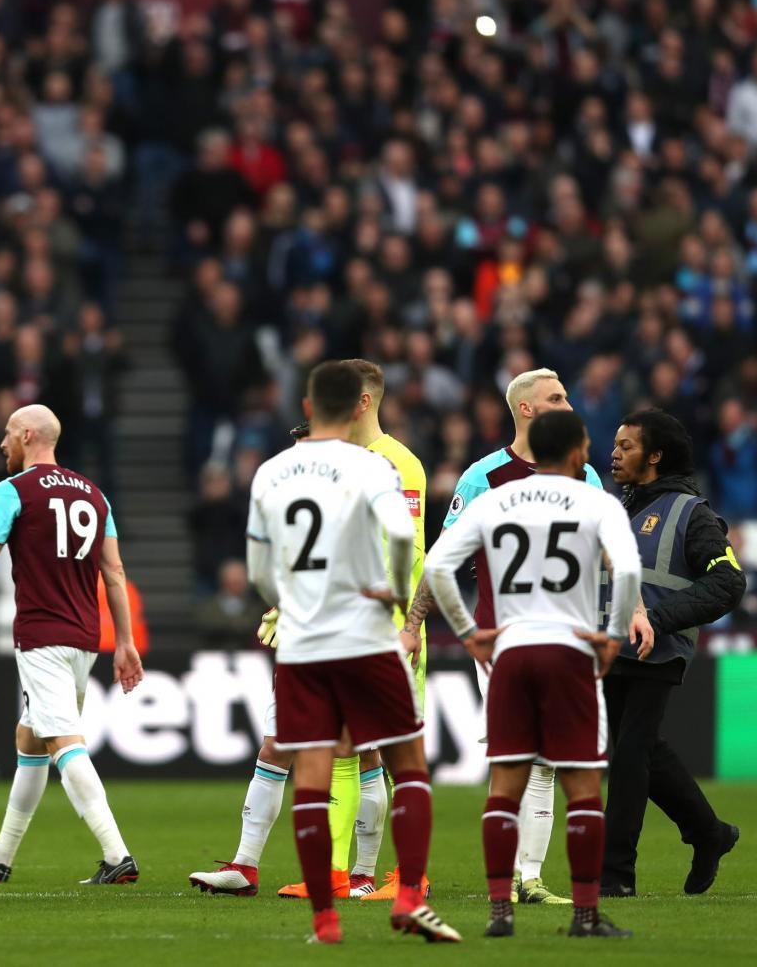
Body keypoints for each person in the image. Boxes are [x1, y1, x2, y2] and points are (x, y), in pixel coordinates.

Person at [190, 360, 430, 901]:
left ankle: (360, 877)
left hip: (353, 629)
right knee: (283, 745)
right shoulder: (360, 470)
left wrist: (398, 619)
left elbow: (410, 552)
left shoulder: (384, 464)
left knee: (362, 751)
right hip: (332, 627)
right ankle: (248, 866)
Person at [244, 361, 458, 944]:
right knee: (406, 762)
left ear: (310, 406)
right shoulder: (375, 468)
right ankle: (408, 895)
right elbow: (403, 544)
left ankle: (325, 919)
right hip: (368, 634)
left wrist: (291, 602)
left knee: (312, 771)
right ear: (358, 403)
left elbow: (261, 570)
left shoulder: (272, 472)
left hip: (306, 641)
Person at [425, 409, 642, 939]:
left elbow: (436, 567)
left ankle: (501, 912)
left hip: (511, 654)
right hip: (569, 652)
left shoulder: (494, 499)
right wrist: (612, 636)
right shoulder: (595, 501)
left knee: (504, 788)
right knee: (583, 788)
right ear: (574, 450)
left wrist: (467, 631)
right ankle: (585, 916)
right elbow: (630, 570)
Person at [0, 403, 145, 886]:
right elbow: (115, 572)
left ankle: (116, 853)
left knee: (64, 740)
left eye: (7, 434)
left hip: (42, 636)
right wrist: (125, 641)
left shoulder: (12, 490)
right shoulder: (95, 493)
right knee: (30, 738)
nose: (2, 444)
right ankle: (1, 855)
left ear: (28, 435)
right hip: (86, 637)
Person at [407, 366, 602, 905]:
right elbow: (442, 560)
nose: (568, 403)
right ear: (527, 409)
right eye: (556, 397)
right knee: (521, 752)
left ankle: (529, 876)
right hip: (503, 638)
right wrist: (414, 622)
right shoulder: (483, 478)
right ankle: (516, 876)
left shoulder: (585, 475)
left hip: (567, 636)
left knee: (549, 757)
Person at [602, 409, 744, 897]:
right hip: (611, 644)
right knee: (637, 752)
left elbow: (728, 583)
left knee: (628, 758)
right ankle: (710, 834)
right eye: (615, 444)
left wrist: (658, 620)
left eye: (627, 446)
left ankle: (615, 877)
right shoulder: (616, 506)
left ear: (656, 457)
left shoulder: (692, 513)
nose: (614, 453)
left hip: (658, 650)